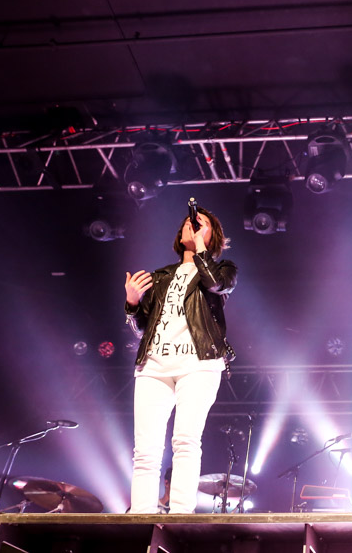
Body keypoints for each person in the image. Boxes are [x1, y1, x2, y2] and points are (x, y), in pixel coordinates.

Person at [124, 206, 238, 514]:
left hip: (199, 363)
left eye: (202, 224)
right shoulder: (161, 276)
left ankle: (180, 516)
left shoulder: (224, 268)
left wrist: (201, 246)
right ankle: (140, 517)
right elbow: (144, 327)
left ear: (212, 236)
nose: (193, 225)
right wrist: (132, 304)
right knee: (145, 451)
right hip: (153, 366)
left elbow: (215, 284)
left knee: (185, 441)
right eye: (190, 222)